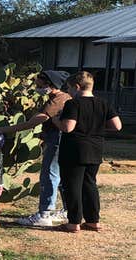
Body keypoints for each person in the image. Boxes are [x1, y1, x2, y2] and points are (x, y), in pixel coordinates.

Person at [52, 71, 122, 233]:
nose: (68, 92)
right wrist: (96, 126)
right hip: (95, 148)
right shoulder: (103, 103)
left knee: (72, 186)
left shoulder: (73, 104)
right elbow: (117, 126)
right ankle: (93, 221)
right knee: (90, 184)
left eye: (69, 88)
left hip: (74, 150)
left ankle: (74, 222)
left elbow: (68, 127)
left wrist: (56, 120)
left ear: (76, 87)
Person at [0, 70, 71, 226]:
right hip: (61, 140)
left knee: (49, 175)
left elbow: (33, 122)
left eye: (39, 85)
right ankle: (68, 211)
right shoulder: (60, 97)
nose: (36, 87)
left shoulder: (57, 100)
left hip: (56, 140)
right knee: (61, 177)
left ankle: (45, 213)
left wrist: (2, 130)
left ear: (49, 85)